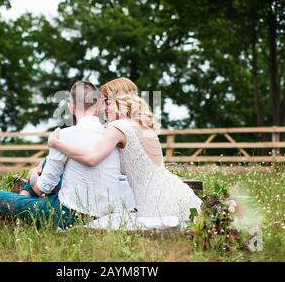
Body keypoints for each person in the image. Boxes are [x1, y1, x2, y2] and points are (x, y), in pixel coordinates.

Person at [0, 81, 136, 229]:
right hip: (105, 213)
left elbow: (42, 188)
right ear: (100, 106)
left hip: (69, 215)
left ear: (71, 107)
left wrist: (33, 175)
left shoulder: (64, 135)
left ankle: (12, 212)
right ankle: (15, 212)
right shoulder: (113, 135)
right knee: (50, 171)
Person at [48, 77, 202, 229]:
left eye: (107, 102)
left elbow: (91, 158)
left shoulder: (119, 127)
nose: (103, 109)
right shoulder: (143, 125)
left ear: (121, 100)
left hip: (156, 204)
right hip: (177, 192)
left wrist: (57, 144)